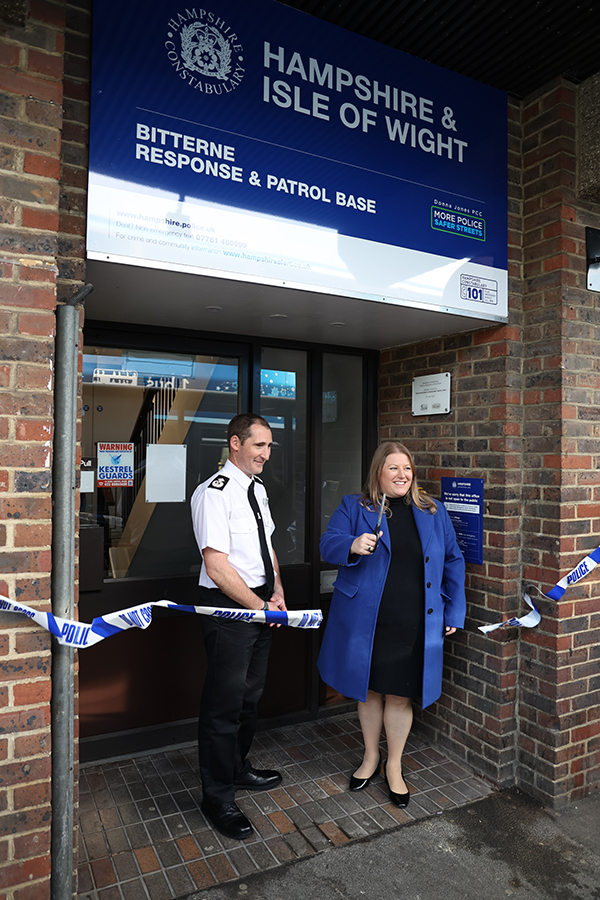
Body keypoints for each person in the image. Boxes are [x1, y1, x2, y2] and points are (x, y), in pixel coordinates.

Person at [317, 441, 465, 807]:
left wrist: (454, 611)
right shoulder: (356, 507)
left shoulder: (432, 510)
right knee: (368, 691)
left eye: (407, 469)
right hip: (367, 621)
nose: (402, 475)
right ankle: (370, 758)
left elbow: (453, 560)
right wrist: (353, 543)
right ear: (378, 474)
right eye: (393, 468)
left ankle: (394, 766)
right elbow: (326, 544)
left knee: (399, 694)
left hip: (413, 618)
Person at [191, 413, 287, 840]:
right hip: (230, 608)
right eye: (258, 446)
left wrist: (277, 592)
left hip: (260, 603)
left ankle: (237, 767)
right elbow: (216, 566)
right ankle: (217, 796)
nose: (265, 454)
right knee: (224, 704)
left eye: (269, 447)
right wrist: (258, 607)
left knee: (249, 697)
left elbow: (267, 547)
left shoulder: (258, 489)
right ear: (235, 443)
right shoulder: (214, 493)